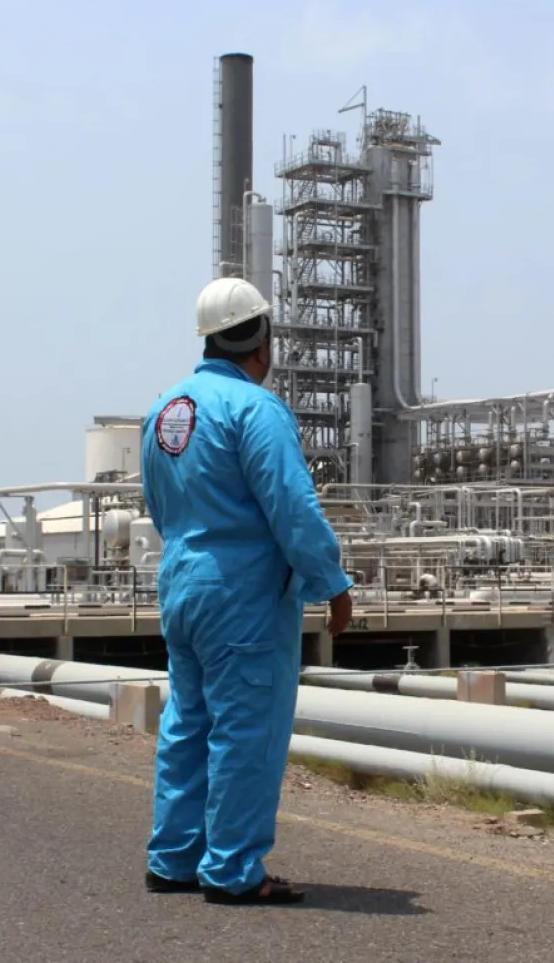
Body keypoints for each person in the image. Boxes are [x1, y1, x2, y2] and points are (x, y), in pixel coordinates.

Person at [139, 276, 355, 906]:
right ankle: (233, 870)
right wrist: (333, 583)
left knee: (188, 722)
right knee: (245, 728)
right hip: (243, 595)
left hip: (182, 582)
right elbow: (293, 506)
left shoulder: (165, 410)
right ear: (262, 338)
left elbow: (157, 503)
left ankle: (173, 858)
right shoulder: (256, 410)